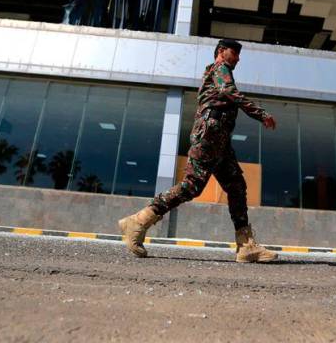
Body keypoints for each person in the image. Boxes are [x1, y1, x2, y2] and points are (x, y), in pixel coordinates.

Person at [119, 38, 279, 263]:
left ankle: (246, 245)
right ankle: (138, 221)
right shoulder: (220, 69)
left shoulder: (216, 71)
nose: (238, 58)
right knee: (192, 186)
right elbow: (228, 91)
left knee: (236, 186)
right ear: (222, 52)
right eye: (235, 53)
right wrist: (260, 114)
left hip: (220, 142)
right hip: (209, 138)